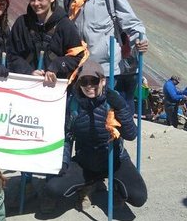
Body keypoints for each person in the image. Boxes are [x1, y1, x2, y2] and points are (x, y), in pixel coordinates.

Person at [7, 0, 86, 213]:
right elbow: (11, 55)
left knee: (56, 138)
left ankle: (53, 187)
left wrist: (55, 66)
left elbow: (78, 55)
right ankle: (28, 183)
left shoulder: (65, 25)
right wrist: (28, 71)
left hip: (56, 96)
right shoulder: (22, 23)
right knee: (28, 134)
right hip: (29, 92)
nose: (36, 4)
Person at [45, 59, 147, 210]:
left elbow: (131, 135)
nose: (89, 86)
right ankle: (90, 184)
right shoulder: (74, 105)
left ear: (103, 81)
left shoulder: (113, 102)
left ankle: (115, 187)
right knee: (53, 188)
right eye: (84, 82)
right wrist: (64, 162)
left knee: (138, 197)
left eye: (94, 80)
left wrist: (121, 107)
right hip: (85, 162)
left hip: (115, 161)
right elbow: (67, 138)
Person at [61, 0, 148, 106]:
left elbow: (131, 22)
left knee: (108, 119)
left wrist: (140, 40)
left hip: (108, 70)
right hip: (81, 70)